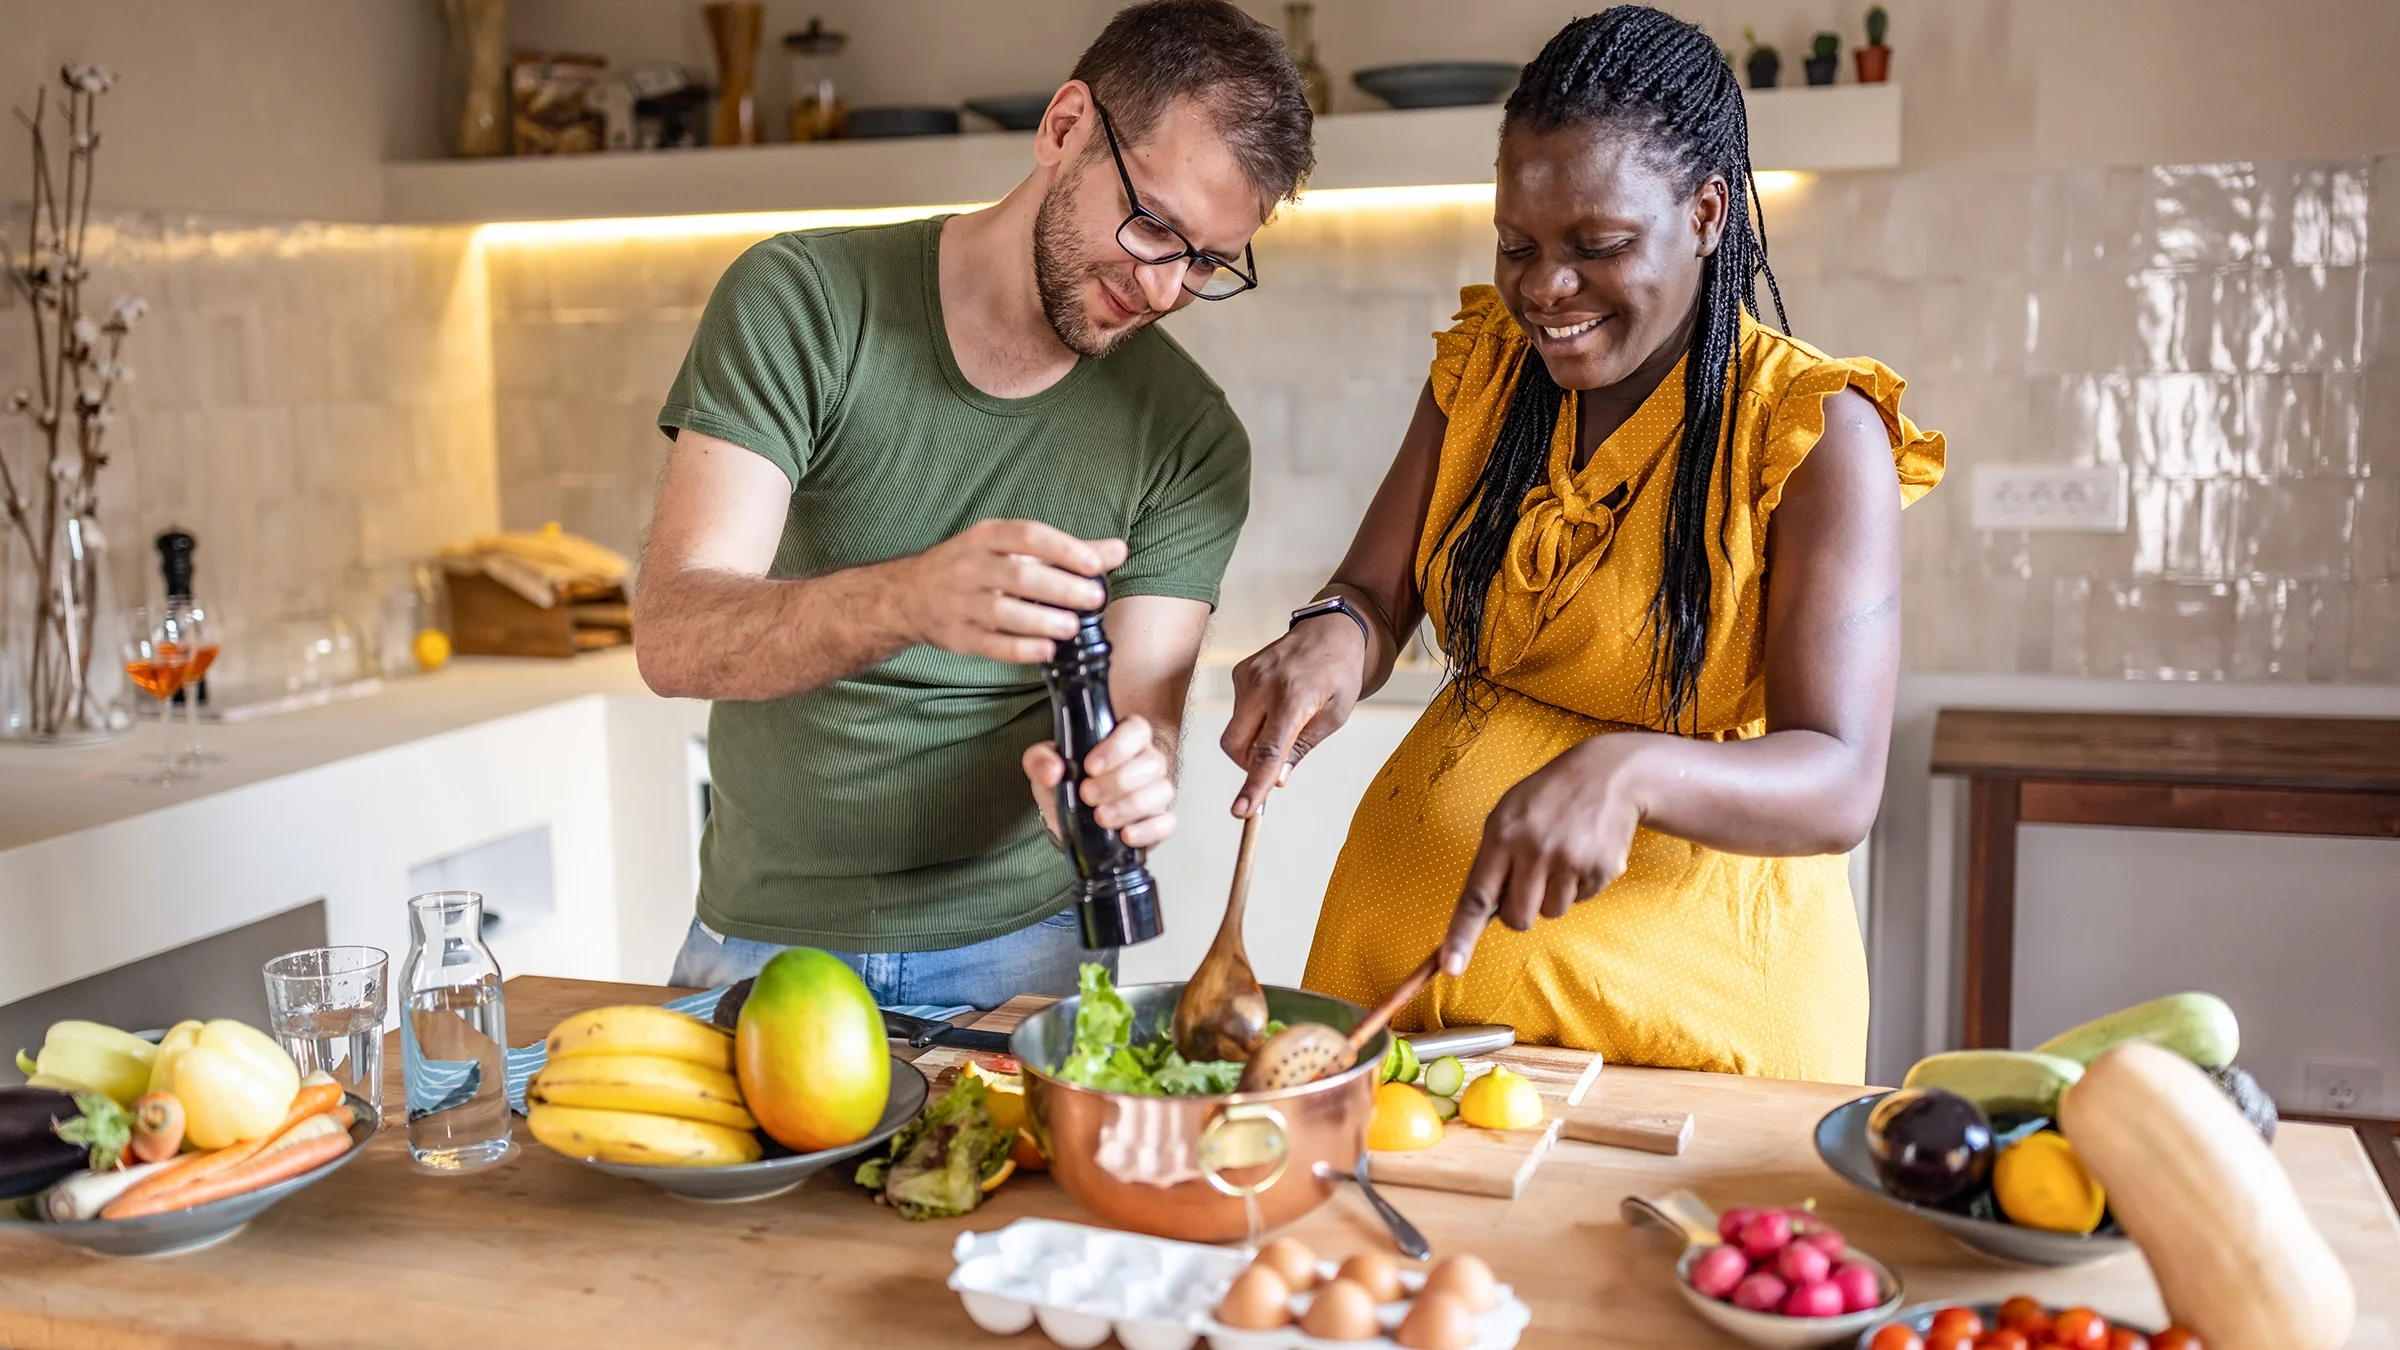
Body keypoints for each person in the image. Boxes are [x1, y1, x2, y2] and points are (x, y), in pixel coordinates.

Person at [1221, 7, 1943, 1083]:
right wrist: (1333, 634)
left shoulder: (1810, 429)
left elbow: (1839, 781)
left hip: (1679, 1042)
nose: (1544, 290)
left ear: (1705, 214)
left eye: (1597, 247)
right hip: (1402, 999)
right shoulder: (1485, 370)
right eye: (1519, 247)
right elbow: (1373, 595)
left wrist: (1631, 769)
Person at [635, 0, 1313, 1008]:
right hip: (765, 945)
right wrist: (910, 598)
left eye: (1206, 261)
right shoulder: (801, 302)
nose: (1165, 288)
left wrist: (1125, 777)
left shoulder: (1190, 441)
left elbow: (1143, 713)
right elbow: (674, 634)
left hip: (1029, 956)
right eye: (1154, 225)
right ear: (1065, 127)